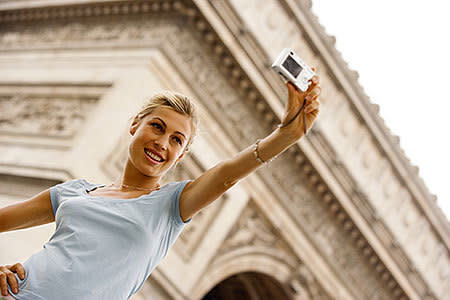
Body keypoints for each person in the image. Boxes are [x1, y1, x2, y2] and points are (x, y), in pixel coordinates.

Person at [0, 74, 321, 299]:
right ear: (134, 124)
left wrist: (286, 135)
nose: (162, 143)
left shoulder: (171, 206)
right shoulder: (73, 192)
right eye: (157, 126)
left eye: (177, 140)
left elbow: (227, 175)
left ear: (180, 156)